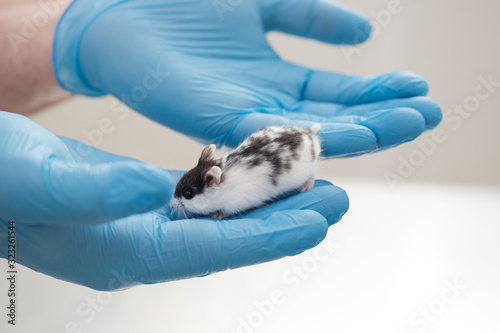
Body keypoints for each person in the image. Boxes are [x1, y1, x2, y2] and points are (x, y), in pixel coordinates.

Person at [0, 0, 441, 291]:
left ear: (212, 182)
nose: (177, 203)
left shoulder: (225, 182)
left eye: (187, 196)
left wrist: (67, 35)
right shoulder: (218, 182)